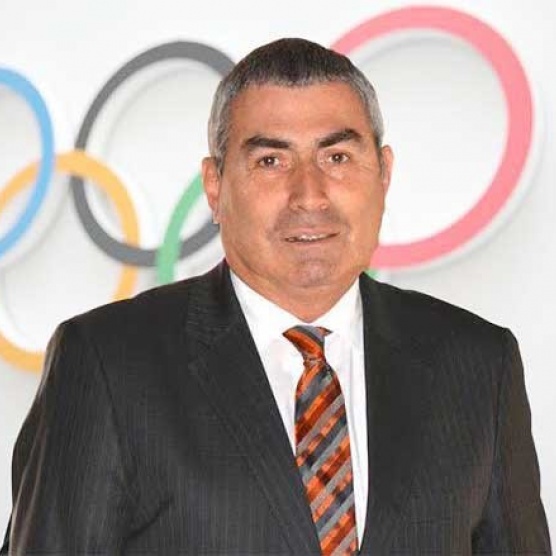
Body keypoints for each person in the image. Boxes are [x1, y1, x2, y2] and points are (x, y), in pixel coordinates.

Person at [1, 38, 551, 555]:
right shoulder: (106, 362)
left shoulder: (478, 364)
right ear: (215, 186)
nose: (309, 195)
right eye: (271, 161)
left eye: (337, 158)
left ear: (383, 174)